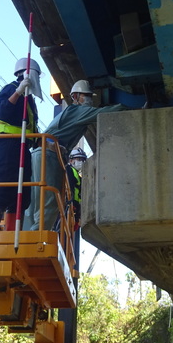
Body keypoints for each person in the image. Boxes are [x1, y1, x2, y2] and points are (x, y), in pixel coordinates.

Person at [23, 80, 127, 231]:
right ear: (76, 96)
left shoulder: (72, 113)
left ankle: (27, 239)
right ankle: (34, 242)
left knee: (33, 205)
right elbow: (102, 113)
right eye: (86, 96)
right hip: (49, 156)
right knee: (49, 204)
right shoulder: (77, 111)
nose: (89, 99)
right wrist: (129, 107)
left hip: (39, 154)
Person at [0, 58, 40, 231]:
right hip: (7, 146)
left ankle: (11, 233)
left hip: (23, 148)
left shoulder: (29, 99)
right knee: (6, 188)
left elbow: (31, 129)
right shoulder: (10, 89)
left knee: (22, 196)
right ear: (25, 73)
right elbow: (3, 111)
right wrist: (18, 91)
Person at [65, 147, 87, 230]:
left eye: (83, 160)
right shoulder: (69, 170)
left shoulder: (77, 174)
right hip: (70, 205)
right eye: (79, 159)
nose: (81, 162)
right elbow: (69, 187)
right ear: (71, 160)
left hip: (75, 207)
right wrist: (70, 203)